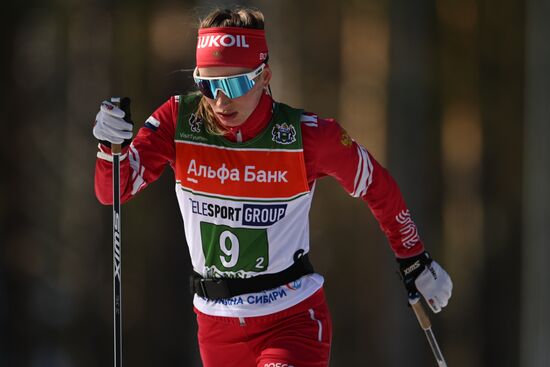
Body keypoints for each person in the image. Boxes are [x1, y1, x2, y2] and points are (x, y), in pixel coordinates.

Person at [93, 7, 452, 367]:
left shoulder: (306, 136)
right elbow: (114, 190)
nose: (220, 100)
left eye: (234, 84)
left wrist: (414, 259)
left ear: (264, 76)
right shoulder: (179, 122)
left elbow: (376, 183)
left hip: (290, 319)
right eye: (208, 84)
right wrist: (111, 148)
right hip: (216, 325)